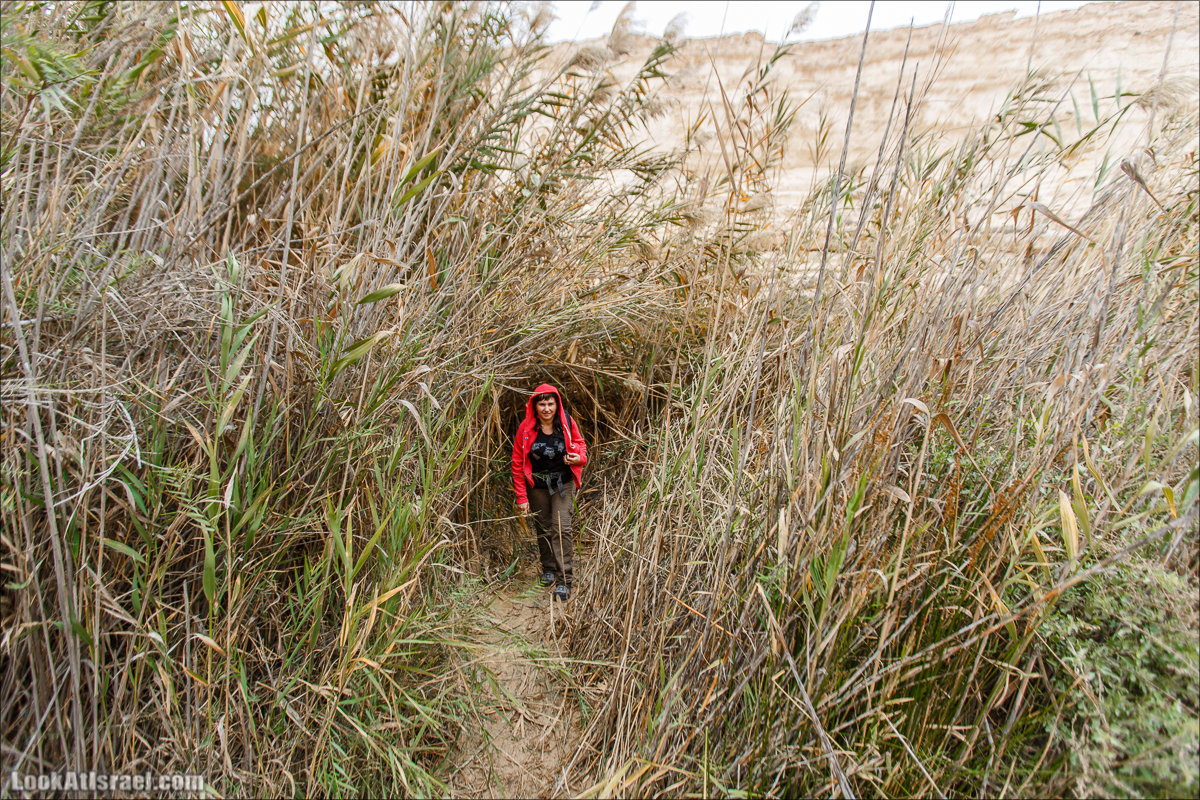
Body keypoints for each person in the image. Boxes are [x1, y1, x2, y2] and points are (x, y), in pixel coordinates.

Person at [511, 383, 587, 601]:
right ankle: (549, 569)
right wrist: (522, 497)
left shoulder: (566, 422)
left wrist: (578, 458)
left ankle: (565, 580)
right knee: (543, 527)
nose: (546, 408)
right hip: (537, 486)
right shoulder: (526, 428)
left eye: (550, 403)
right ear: (534, 406)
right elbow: (517, 462)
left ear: (557, 404)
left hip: (562, 484)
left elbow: (581, 446)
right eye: (542, 404)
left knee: (561, 527)